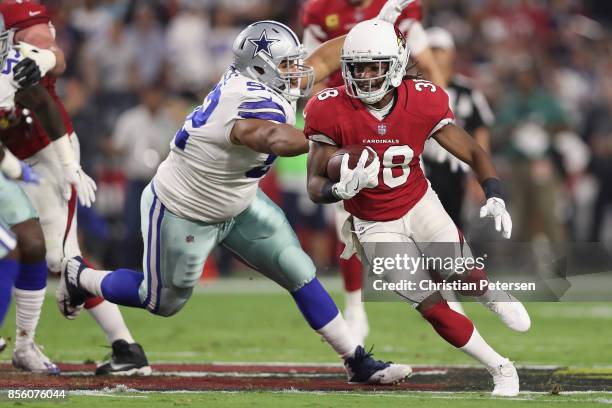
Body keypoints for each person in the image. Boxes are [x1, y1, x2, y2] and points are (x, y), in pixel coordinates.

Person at [61, 15, 415, 385]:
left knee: (299, 270)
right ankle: (80, 277)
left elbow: (323, 60)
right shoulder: (245, 101)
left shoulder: (266, 79)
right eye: (287, 64)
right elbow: (270, 137)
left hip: (240, 202)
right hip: (183, 210)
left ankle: (356, 360)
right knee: (160, 301)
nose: (297, 70)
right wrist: (334, 139)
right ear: (261, 67)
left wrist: (373, 30)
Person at [304, 20, 531, 396]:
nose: (363, 75)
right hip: (373, 224)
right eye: (356, 66)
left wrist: (494, 193)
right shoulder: (327, 108)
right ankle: (500, 367)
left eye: (373, 66)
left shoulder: (423, 99)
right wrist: (337, 189)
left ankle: (490, 294)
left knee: (464, 276)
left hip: (419, 204)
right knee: (431, 305)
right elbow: (314, 185)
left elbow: (473, 150)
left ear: (394, 64)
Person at [0, 0, 150, 376]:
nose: (42, 36)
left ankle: (124, 347)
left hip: (47, 153)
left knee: (56, 257)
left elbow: (52, 66)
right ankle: (123, 346)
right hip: (13, 158)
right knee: (45, 253)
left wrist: (68, 165)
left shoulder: (17, 59)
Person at [301, 0, 444, 345]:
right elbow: (311, 70)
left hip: (395, 116)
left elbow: (428, 64)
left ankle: (445, 294)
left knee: (419, 209)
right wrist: (327, 119)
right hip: (348, 116)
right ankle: (355, 306)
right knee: (345, 213)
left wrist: (441, 118)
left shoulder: (399, 7)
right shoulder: (321, 10)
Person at [422, 27, 495, 228]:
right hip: (421, 166)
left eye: (440, 50)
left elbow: (480, 131)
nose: (435, 55)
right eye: (431, 50)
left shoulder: (467, 91)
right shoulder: (413, 89)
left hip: (457, 167)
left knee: (456, 226)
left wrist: (479, 174)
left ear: (451, 53)